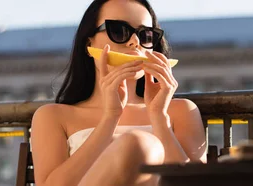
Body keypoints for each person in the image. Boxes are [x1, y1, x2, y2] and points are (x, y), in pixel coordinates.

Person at [30, 0, 208, 185]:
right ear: (89, 44)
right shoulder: (53, 116)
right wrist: (110, 118)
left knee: (140, 144)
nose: (135, 42)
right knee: (138, 144)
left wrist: (159, 118)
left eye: (145, 35)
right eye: (119, 30)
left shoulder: (181, 111)